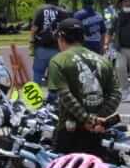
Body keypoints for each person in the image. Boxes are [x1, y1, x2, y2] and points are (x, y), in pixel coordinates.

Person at [45, 18, 120, 158]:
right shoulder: (103, 60)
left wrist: (87, 120)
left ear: (61, 37)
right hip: (98, 132)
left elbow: (65, 95)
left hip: (69, 133)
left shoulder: (58, 60)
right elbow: (116, 94)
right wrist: (98, 119)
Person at [30, 0, 69, 85]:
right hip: (57, 48)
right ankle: (53, 98)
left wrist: (31, 43)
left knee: (38, 73)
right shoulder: (63, 12)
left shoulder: (40, 10)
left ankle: (36, 96)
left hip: (41, 47)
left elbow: (34, 29)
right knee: (54, 75)